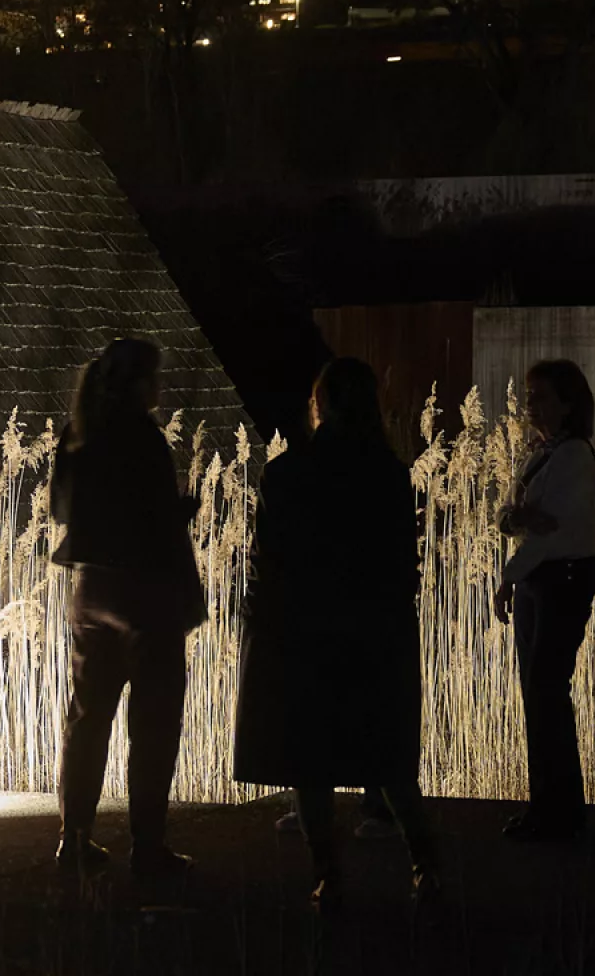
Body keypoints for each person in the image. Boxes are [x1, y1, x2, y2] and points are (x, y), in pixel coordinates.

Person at [233, 359, 438, 910]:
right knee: (388, 755)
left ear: (320, 405)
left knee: (313, 760)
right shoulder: (391, 474)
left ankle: (328, 876)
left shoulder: (288, 474)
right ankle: (427, 865)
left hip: (307, 632)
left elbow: (267, 562)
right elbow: (402, 563)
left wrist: (260, 623)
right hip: (376, 630)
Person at [50, 337, 207, 878]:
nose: (160, 386)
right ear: (140, 382)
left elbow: (58, 508)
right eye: (155, 376)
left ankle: (74, 839)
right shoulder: (143, 436)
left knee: (88, 716)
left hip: (90, 589)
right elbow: (156, 520)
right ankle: (147, 845)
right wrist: (185, 508)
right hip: (146, 590)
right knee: (155, 719)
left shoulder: (79, 431)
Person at [494, 359, 595, 842]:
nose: (528, 405)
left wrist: (509, 567)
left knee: (546, 691)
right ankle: (550, 807)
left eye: (539, 396)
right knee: (538, 693)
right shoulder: (542, 452)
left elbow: (549, 530)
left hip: (562, 577)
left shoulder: (574, 456)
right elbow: (512, 517)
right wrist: (517, 521)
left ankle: (558, 811)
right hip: (541, 577)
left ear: (568, 402)